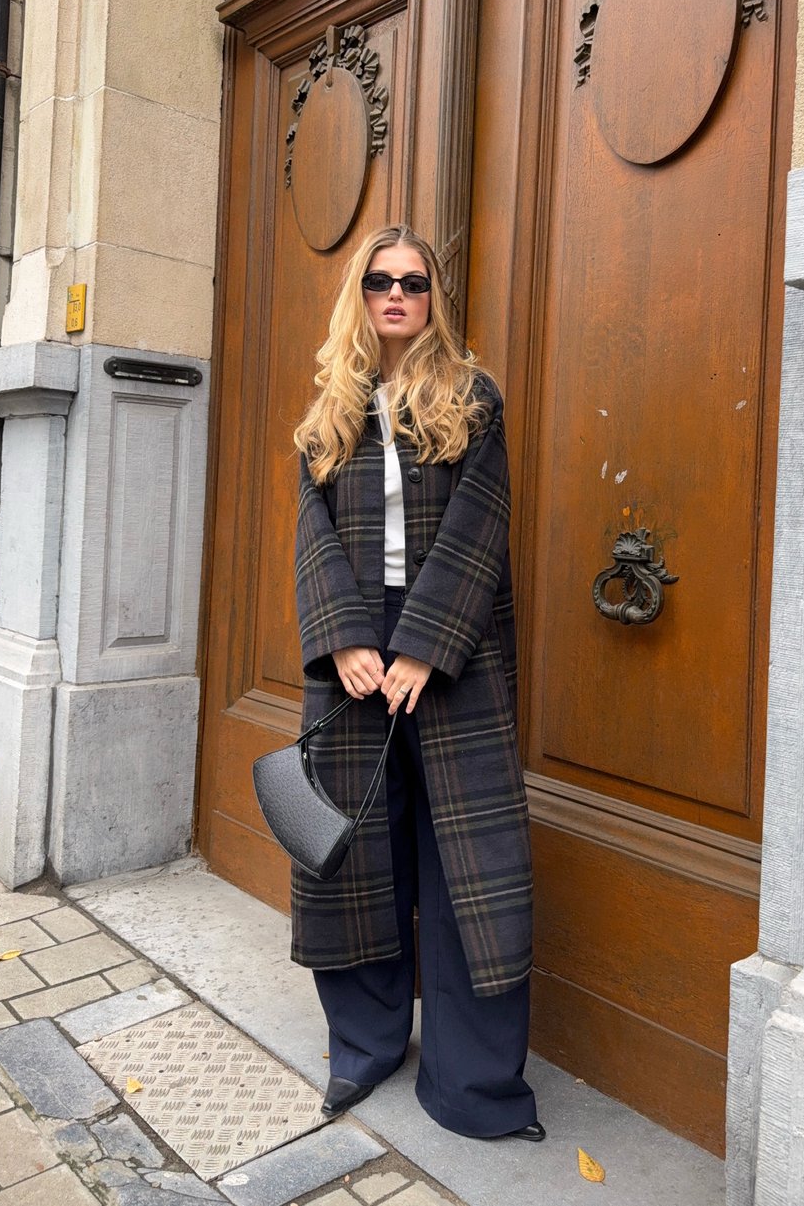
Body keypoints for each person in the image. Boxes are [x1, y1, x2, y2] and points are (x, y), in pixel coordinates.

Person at [292, 223, 543, 1141]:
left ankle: (473, 1084)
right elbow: (308, 531)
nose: (397, 295)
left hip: (454, 644)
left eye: (414, 282)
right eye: (380, 281)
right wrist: (346, 640)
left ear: (434, 298)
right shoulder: (332, 407)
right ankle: (362, 1048)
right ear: (359, 295)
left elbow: (484, 521)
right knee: (355, 853)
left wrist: (425, 646)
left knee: (468, 863)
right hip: (357, 647)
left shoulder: (473, 398)